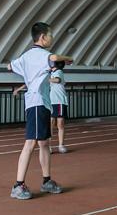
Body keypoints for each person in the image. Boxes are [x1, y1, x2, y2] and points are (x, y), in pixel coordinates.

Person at [7, 22, 74, 200]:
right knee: (30, 143)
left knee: (44, 143)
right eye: (50, 35)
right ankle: (18, 185)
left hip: (43, 103)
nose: (52, 38)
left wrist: (29, 74)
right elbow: (54, 58)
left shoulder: (25, 57)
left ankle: (47, 181)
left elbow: (9, 66)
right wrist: (68, 58)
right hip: (36, 102)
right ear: (43, 37)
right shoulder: (42, 54)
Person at [50, 61, 69, 153]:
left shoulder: (59, 72)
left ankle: (61, 145)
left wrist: (46, 79)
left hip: (59, 101)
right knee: (50, 123)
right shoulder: (49, 73)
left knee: (60, 124)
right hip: (50, 101)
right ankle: (48, 146)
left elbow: (57, 80)